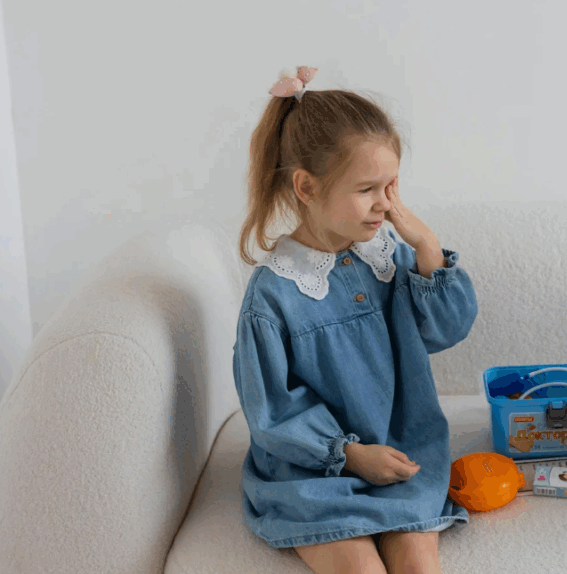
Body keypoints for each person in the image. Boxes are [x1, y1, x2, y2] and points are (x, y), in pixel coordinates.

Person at [233, 66, 477, 574]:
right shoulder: (275, 293)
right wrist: (348, 454)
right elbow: (272, 410)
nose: (386, 205)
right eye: (368, 188)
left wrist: (428, 248)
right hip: (311, 467)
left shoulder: (390, 257)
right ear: (305, 186)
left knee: (418, 565)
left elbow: (447, 330)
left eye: (393, 186)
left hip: (401, 449)